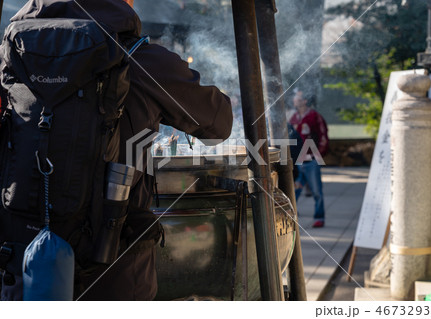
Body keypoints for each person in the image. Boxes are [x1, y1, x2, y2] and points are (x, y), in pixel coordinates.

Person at [0, 0, 232, 301]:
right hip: (115, 273)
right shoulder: (142, 60)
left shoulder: (11, 54)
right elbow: (220, 124)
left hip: (21, 268)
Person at [289, 90, 328, 228]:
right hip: (298, 161)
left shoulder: (314, 116)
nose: (294, 99)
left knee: (317, 191)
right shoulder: (293, 118)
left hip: (311, 160)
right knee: (293, 191)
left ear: (304, 100)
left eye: (297, 97)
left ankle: (319, 217)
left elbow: (323, 137)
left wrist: (317, 155)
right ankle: (291, 217)